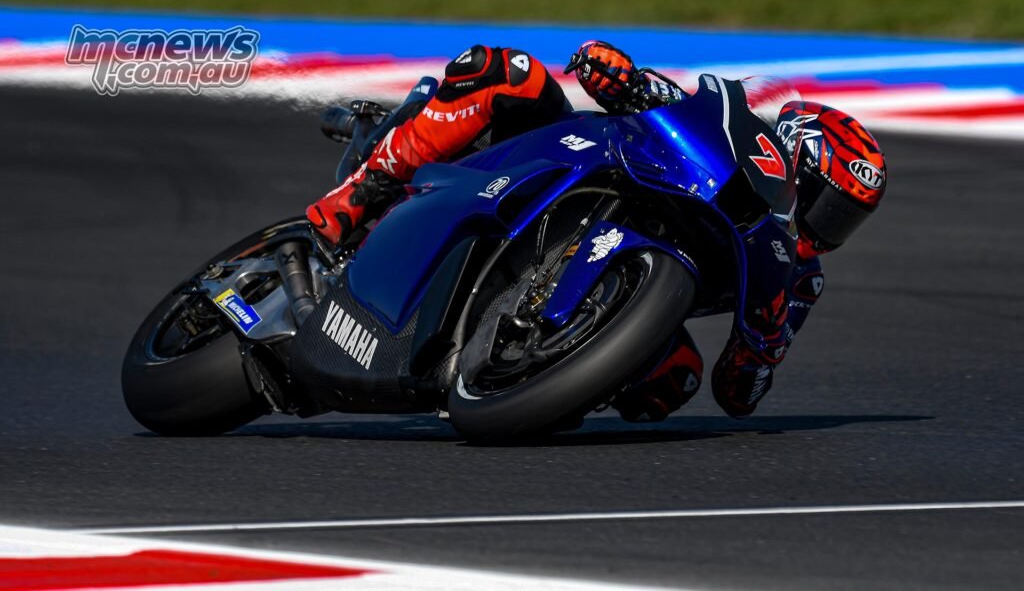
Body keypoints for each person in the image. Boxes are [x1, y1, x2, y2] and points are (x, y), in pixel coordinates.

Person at [305, 41, 887, 421]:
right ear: (792, 159)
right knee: (508, 73)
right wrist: (619, 75)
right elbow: (657, 95)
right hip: (573, 158)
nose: (826, 228)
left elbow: (738, 394)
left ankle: (528, 376)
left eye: (845, 218)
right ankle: (354, 198)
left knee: (673, 383)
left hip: (629, 277)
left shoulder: (797, 279)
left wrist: (765, 344)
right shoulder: (732, 147)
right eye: (827, 204)